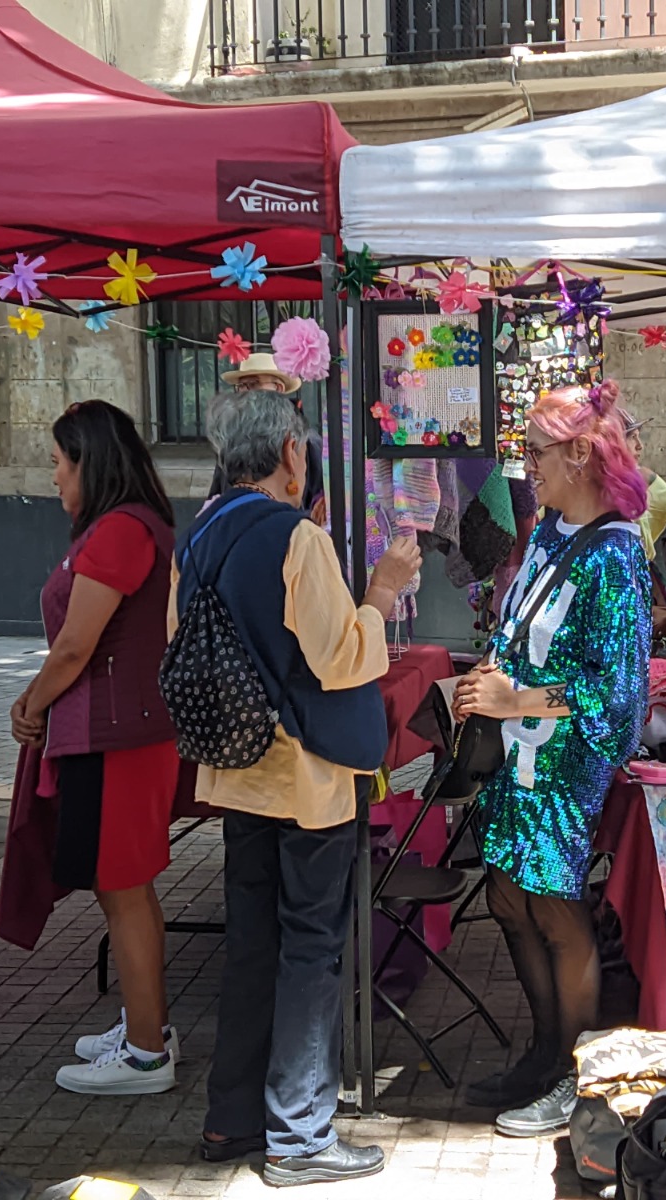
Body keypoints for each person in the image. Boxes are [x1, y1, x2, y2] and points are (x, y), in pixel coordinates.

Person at [184, 390, 421, 1186]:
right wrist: (383, 592)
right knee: (311, 952)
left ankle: (233, 1120)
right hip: (306, 775)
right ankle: (299, 1135)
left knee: (253, 944)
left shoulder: (205, 532)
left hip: (240, 767)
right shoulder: (297, 537)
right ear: (292, 453)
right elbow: (340, 658)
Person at [454, 379, 651, 1137]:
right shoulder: (548, 533)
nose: (525, 466)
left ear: (580, 454)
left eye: (535, 452)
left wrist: (520, 702)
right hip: (515, 755)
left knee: (555, 911)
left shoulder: (615, 558)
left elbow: (623, 699)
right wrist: (492, 679)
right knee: (509, 900)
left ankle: (573, 1079)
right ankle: (543, 1055)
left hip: (562, 763)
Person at [10, 401, 180, 1096]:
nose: (52, 477)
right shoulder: (132, 526)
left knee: (123, 890)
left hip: (116, 736)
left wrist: (30, 702)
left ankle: (145, 1054)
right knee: (128, 889)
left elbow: (77, 644)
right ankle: (147, 1026)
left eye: (58, 461)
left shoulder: (117, 531)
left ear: (89, 462)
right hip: (124, 731)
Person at [213, 352, 325, 523]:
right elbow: (217, 496)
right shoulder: (232, 440)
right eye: (241, 387)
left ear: (278, 388)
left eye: (252, 384)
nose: (245, 393)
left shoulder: (307, 441)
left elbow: (320, 502)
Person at [622, 410, 666, 562]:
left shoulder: (646, 479)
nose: (640, 446)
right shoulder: (588, 488)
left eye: (639, 437)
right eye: (633, 438)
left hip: (639, 579)